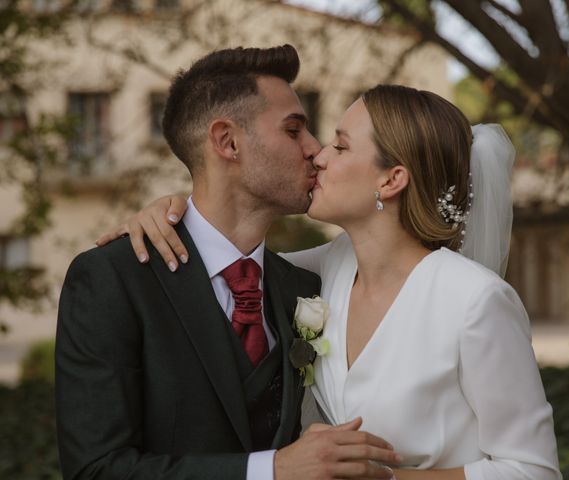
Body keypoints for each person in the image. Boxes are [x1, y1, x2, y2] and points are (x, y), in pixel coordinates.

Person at [99, 87, 563, 478]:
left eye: (340, 147)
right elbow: (225, 262)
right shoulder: (323, 271)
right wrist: (168, 215)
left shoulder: (475, 301)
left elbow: (534, 469)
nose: (318, 156)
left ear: (391, 179)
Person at [56, 45, 404, 480]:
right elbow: (96, 470)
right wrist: (271, 470)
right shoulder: (114, 278)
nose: (315, 151)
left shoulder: (305, 285)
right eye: (294, 129)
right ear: (228, 141)